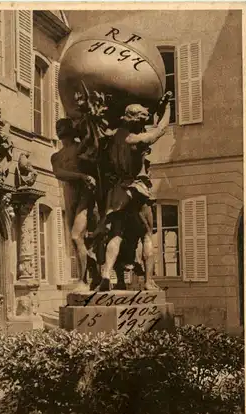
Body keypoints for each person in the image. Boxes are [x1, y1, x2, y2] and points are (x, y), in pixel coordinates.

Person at [97, 96, 171, 291]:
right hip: (137, 189)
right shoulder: (136, 140)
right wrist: (168, 108)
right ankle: (148, 281)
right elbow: (160, 130)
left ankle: (106, 273)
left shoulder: (114, 136)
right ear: (137, 120)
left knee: (116, 234)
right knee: (147, 236)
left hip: (119, 191)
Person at [51, 118, 98, 292]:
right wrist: (80, 176)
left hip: (84, 196)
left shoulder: (80, 148)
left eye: (61, 127)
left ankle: (82, 280)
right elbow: (59, 173)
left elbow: (93, 142)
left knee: (76, 236)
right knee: (78, 240)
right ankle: (93, 273)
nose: (59, 130)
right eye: (57, 127)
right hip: (70, 198)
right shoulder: (56, 156)